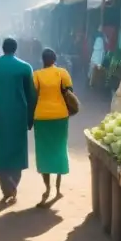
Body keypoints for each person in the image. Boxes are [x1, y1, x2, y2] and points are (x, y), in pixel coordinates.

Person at [0, 38, 37, 204]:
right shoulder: (25, 68)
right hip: (19, 115)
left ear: (3, 49)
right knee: (17, 150)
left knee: (1, 149)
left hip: (0, 115)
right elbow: (31, 96)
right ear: (15, 49)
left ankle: (7, 186)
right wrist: (30, 118)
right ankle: (13, 184)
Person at [32, 48, 75, 204]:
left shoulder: (36, 75)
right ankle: (58, 188)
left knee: (44, 152)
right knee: (59, 148)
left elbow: (33, 97)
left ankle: (47, 188)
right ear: (55, 59)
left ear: (42, 60)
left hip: (41, 116)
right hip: (60, 116)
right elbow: (70, 92)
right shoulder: (62, 73)